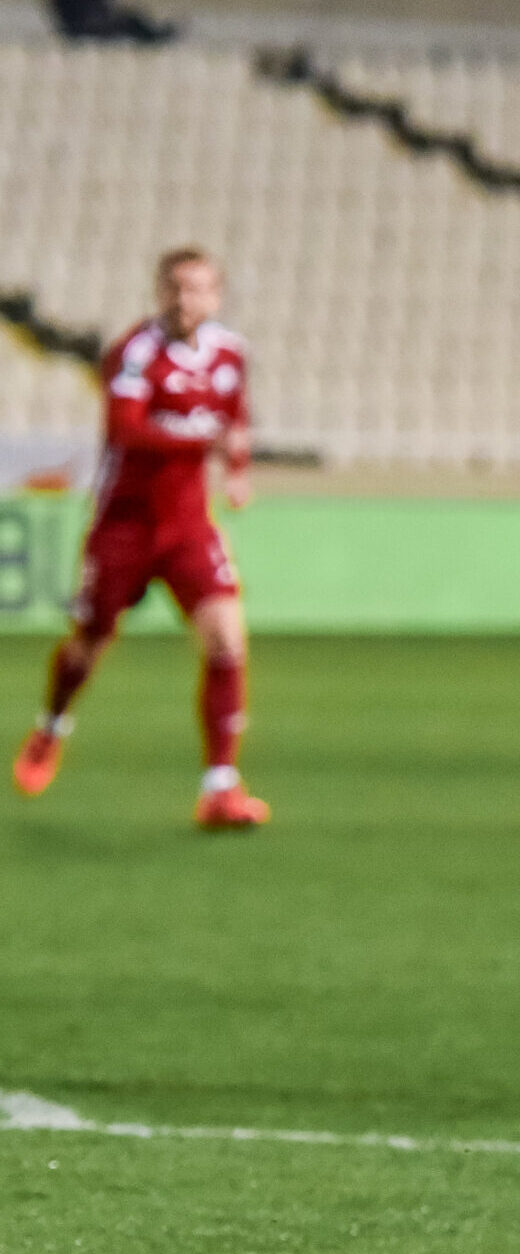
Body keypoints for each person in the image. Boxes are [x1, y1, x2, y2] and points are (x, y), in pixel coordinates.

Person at [15, 248, 264, 829]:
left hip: (186, 527)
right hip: (124, 527)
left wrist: (240, 467)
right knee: (93, 639)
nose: (185, 300)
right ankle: (52, 725)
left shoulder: (230, 353)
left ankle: (220, 788)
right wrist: (206, 444)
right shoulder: (134, 352)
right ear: (159, 292)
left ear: (216, 296)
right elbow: (127, 430)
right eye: (175, 288)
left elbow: (236, 417)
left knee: (228, 641)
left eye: (198, 289)